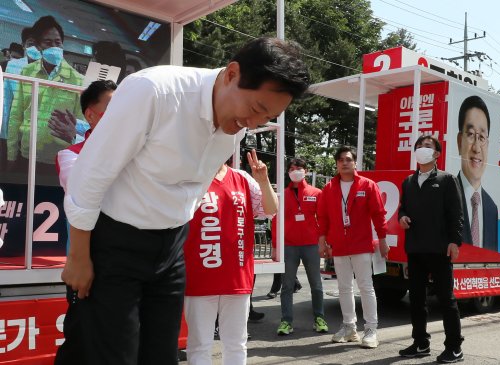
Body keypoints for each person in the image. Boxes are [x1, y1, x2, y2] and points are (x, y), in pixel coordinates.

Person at [61, 37, 310, 365]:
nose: (252, 124)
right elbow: (89, 176)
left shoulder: (234, 124)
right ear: (232, 74)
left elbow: (195, 185)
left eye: (265, 119)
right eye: (255, 109)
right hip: (115, 244)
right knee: (106, 353)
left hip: (171, 248)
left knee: (162, 355)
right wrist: (79, 256)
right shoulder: (154, 92)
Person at [184, 151, 277, 365]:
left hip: (236, 276)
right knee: (199, 345)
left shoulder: (242, 178)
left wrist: (263, 181)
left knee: (236, 343)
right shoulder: (189, 177)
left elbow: (271, 210)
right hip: (199, 276)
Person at [54, 80, 116, 365]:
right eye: (112, 108)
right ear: (90, 115)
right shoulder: (69, 155)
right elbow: (85, 189)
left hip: (129, 265)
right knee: (81, 343)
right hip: (89, 268)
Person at [398, 135, 465, 363]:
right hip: (415, 248)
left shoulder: (447, 180)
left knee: (446, 299)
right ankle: (420, 343)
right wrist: (402, 217)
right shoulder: (408, 182)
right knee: (416, 299)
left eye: (427, 147)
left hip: (439, 249)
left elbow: (456, 214)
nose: (421, 150)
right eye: (419, 146)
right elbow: (402, 209)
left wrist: (455, 241)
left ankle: (454, 347)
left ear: (437, 154)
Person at [317, 146, 389, 349]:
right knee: (344, 288)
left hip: (362, 245)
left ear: (355, 162)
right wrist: (322, 240)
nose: (344, 162)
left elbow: (378, 214)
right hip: (338, 246)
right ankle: (349, 327)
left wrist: (382, 240)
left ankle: (371, 330)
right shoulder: (329, 188)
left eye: (348, 159)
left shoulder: (367, 185)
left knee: (365, 287)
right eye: (340, 159)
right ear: (337, 163)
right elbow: (322, 217)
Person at [7, 16, 83, 173]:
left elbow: (83, 126)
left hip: (60, 160)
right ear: (39, 46)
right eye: (48, 43)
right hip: (27, 155)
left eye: (58, 42)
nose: (54, 47)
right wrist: (11, 155)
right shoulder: (27, 72)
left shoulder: (77, 80)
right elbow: (16, 115)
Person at [276, 158, 328, 335]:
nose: (295, 171)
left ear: (306, 171)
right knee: (287, 286)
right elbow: (276, 221)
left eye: (299, 168)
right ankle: (286, 321)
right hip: (289, 246)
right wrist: (276, 245)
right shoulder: (282, 195)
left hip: (311, 245)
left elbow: (322, 219)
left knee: (316, 285)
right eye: (292, 168)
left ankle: (319, 318)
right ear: (288, 172)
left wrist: (323, 241)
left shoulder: (316, 193)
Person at [456, 95, 498, 251]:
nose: (476, 147)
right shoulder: (447, 194)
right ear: (460, 141)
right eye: (471, 134)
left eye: (481, 137)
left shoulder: (492, 208)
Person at [1, 27, 39, 171]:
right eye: (30, 44)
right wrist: (4, 132)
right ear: (23, 45)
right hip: (13, 124)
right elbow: (7, 100)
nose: (34, 48)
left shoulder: (46, 67)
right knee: (10, 165)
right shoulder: (12, 65)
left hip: (35, 130)